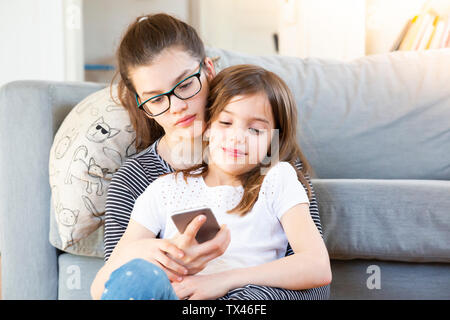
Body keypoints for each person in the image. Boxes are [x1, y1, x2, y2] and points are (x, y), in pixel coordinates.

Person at [90, 13, 330, 300]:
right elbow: (112, 288)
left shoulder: (269, 161)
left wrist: (232, 290)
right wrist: (148, 254)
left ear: (208, 70)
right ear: (143, 107)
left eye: (185, 85)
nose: (177, 106)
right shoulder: (142, 183)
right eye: (156, 99)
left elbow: (313, 284)